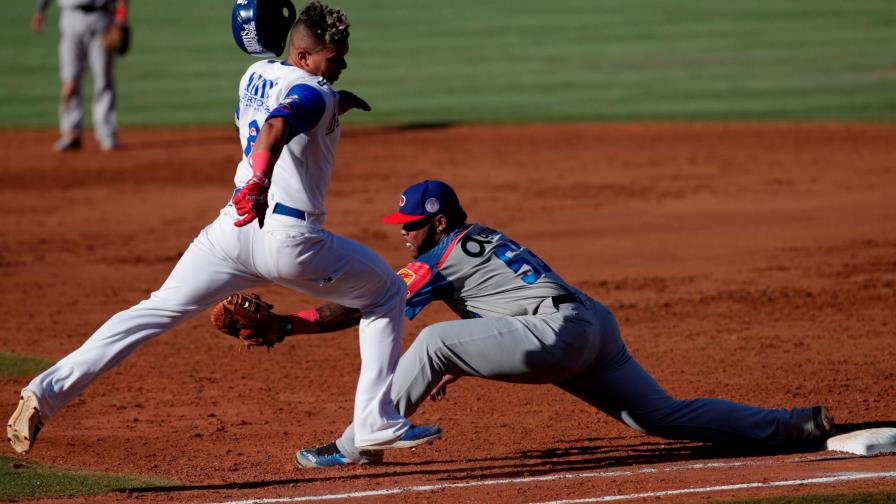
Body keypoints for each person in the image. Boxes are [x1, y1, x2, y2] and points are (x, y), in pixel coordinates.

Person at [7, 1, 441, 456]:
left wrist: (337, 103)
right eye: (334, 57)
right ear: (304, 57)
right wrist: (261, 179)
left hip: (231, 233)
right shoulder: (313, 92)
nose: (343, 63)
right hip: (289, 240)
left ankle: (45, 392)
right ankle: (373, 421)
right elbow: (276, 126)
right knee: (387, 293)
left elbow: (268, 115)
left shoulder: (255, 76)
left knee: (152, 311)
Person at [216, 179, 834, 468]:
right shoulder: (479, 238)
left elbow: (361, 307)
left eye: (409, 223)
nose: (401, 231)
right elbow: (492, 306)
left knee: (432, 341)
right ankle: (794, 426)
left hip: (556, 336)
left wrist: (287, 326)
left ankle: (354, 447)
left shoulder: (442, 254)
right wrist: (473, 348)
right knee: (661, 417)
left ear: (436, 221)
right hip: (590, 324)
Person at [31, 0, 129, 152]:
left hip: (102, 18)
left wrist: (121, 19)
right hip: (71, 18)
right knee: (70, 80)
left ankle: (107, 133)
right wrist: (40, 10)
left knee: (104, 79)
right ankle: (71, 132)